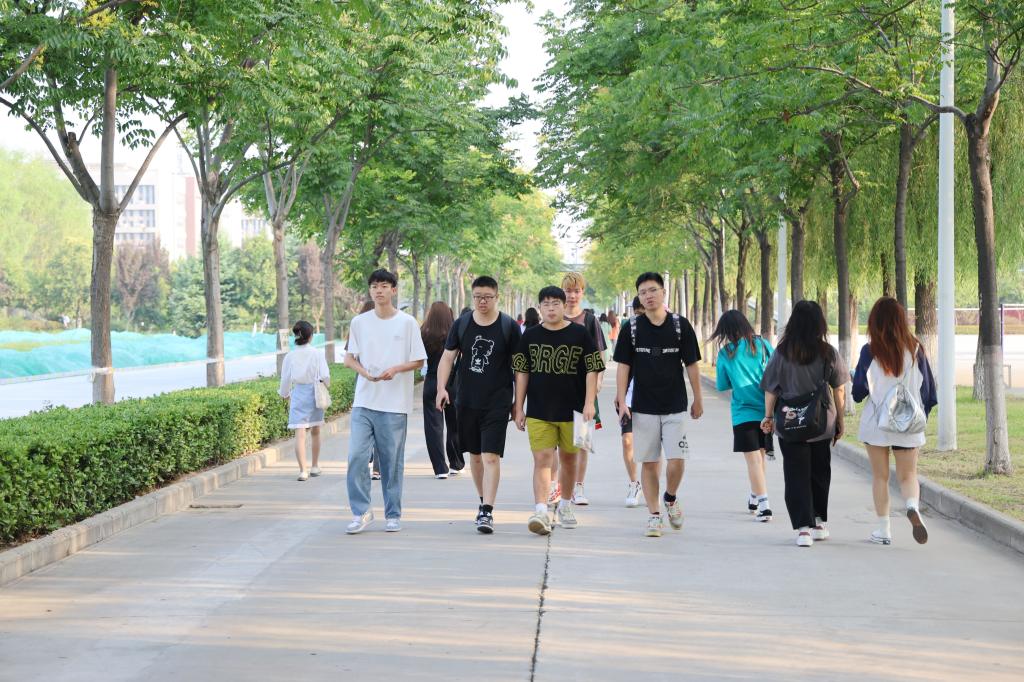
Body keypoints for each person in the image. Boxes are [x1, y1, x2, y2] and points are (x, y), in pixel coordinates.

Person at [614, 273, 703, 537]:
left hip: (675, 404)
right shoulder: (632, 328)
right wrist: (622, 401)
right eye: (643, 292)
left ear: (663, 292)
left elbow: (692, 364)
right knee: (650, 462)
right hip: (643, 406)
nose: (648, 296)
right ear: (639, 298)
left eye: (653, 290)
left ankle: (670, 497)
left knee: (677, 460)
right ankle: (654, 515)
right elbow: (623, 367)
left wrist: (698, 398)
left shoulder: (680, 326)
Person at [343, 269, 427, 534]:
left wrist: (396, 369)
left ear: (393, 290)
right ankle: (361, 511)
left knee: (391, 462)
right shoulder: (359, 322)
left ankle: (393, 513)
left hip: (394, 405)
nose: (378, 290)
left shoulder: (407, 323)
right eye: (374, 286)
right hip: (364, 401)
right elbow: (349, 358)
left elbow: (419, 360)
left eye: (383, 286)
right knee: (357, 456)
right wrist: (364, 372)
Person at [435, 276, 522, 534]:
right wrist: (441, 388)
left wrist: (518, 403)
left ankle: (487, 511)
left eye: (487, 297)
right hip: (466, 401)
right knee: (474, 456)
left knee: (490, 456)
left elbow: (520, 367)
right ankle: (483, 500)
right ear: (472, 297)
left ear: (497, 297)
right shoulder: (462, 324)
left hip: (498, 402)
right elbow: (447, 358)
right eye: (478, 297)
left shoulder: (508, 326)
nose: (482, 301)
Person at [513, 286, 603, 535]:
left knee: (570, 459)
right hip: (539, 410)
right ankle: (541, 510)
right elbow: (521, 372)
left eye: (555, 303)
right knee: (542, 459)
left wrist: (589, 403)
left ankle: (565, 505)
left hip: (575, 411)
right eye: (546, 304)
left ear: (564, 306)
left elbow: (592, 369)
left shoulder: (580, 334)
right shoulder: (530, 336)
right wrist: (519, 407)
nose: (551, 308)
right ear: (539, 308)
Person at [759, 300, 848, 547]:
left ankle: (803, 531)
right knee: (819, 472)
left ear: (793, 323)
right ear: (820, 323)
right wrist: (840, 420)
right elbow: (839, 389)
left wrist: (768, 417)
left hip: (790, 424)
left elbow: (771, 389)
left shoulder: (782, 352)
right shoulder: (828, 352)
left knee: (795, 475)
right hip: (821, 423)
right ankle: (818, 523)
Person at [852, 297, 938, 546]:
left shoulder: (870, 351)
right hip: (908, 423)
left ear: (874, 322)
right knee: (908, 475)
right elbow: (928, 392)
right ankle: (912, 506)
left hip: (877, 424)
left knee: (881, 477)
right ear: (901, 321)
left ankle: (884, 530)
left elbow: (858, 392)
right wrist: (919, 416)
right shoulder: (916, 349)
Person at [711, 310, 775, 522]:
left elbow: (722, 385)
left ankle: (764, 506)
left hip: (742, 412)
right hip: (767, 410)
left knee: (753, 459)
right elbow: (777, 371)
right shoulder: (763, 345)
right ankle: (755, 496)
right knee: (760, 456)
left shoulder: (726, 353)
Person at [556, 272, 606, 506]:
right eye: (568, 291)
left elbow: (599, 353)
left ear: (582, 293)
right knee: (557, 443)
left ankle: (578, 487)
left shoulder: (589, 321)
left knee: (582, 441)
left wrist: (598, 381)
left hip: (584, 389)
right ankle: (557, 487)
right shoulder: (553, 317)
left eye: (576, 291)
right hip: (557, 390)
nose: (572, 295)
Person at [278, 320, 330, 481]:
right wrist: (326, 386)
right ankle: (314, 466)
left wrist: (284, 394)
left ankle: (303, 471)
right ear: (311, 336)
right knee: (315, 430)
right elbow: (325, 375)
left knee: (299, 434)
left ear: (296, 335)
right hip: (314, 393)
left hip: (298, 394)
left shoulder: (290, 356)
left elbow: (285, 379)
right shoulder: (317, 353)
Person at [421, 301, 464, 479]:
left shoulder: (423, 333)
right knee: (455, 425)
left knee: (433, 427)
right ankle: (456, 463)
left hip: (431, 382)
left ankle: (440, 468)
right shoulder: (455, 332)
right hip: (452, 382)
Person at [615, 297, 644, 507]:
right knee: (627, 440)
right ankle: (634, 483)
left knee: (652, 446)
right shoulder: (629, 330)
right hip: (630, 396)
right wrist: (620, 393)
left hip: (655, 398)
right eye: (639, 312)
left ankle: (651, 485)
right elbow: (622, 364)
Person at [347, 300, 381, 480]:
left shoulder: (358, 326)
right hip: (376, 380)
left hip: (362, 379)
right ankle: (377, 469)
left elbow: (350, 358)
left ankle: (369, 459)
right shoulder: (360, 327)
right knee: (379, 427)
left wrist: (364, 372)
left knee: (368, 424)